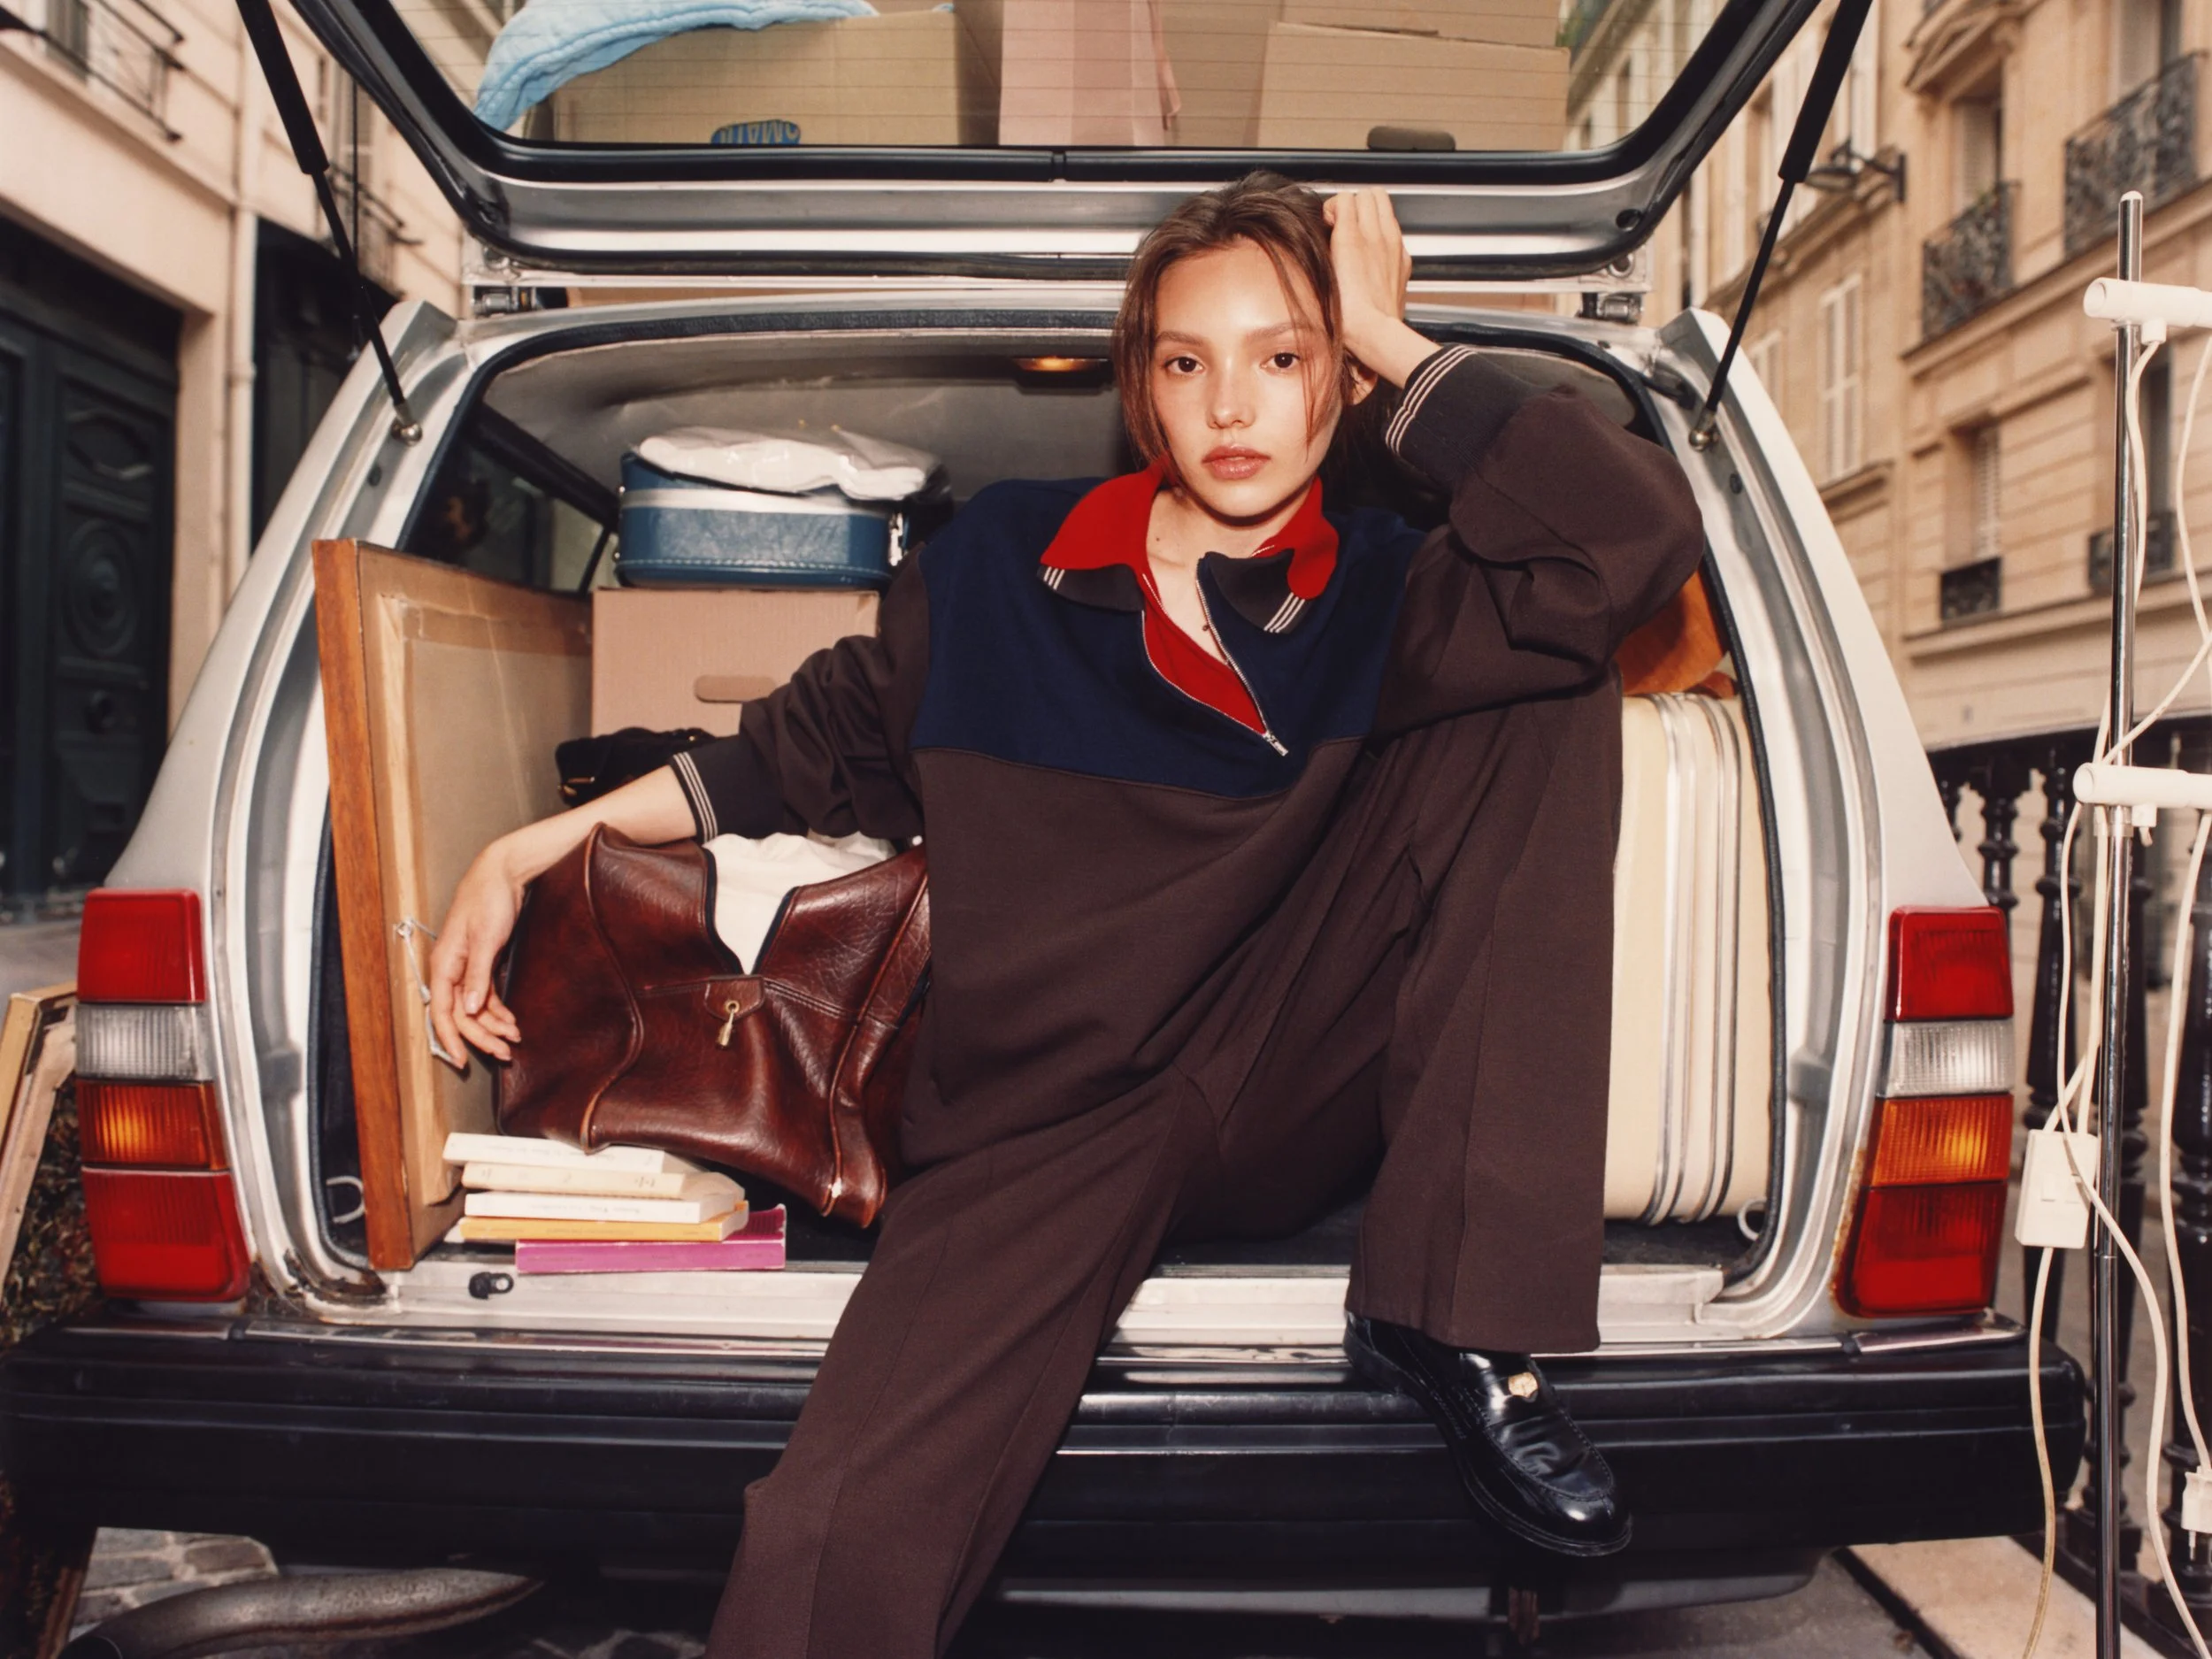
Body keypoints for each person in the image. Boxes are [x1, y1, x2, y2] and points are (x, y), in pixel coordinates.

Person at [427, 173, 1706, 1659]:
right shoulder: (994, 569)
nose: (1232, 403)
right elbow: (794, 745)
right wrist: (527, 847)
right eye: (1188, 361)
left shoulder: (1384, 587)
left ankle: (1453, 1313)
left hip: (1290, 1053)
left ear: (1340, 386)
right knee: (839, 1525)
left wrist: (1388, 333)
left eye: (1283, 356)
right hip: (1048, 1118)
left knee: (1548, 662)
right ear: (1141, 390)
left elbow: (1632, 535)